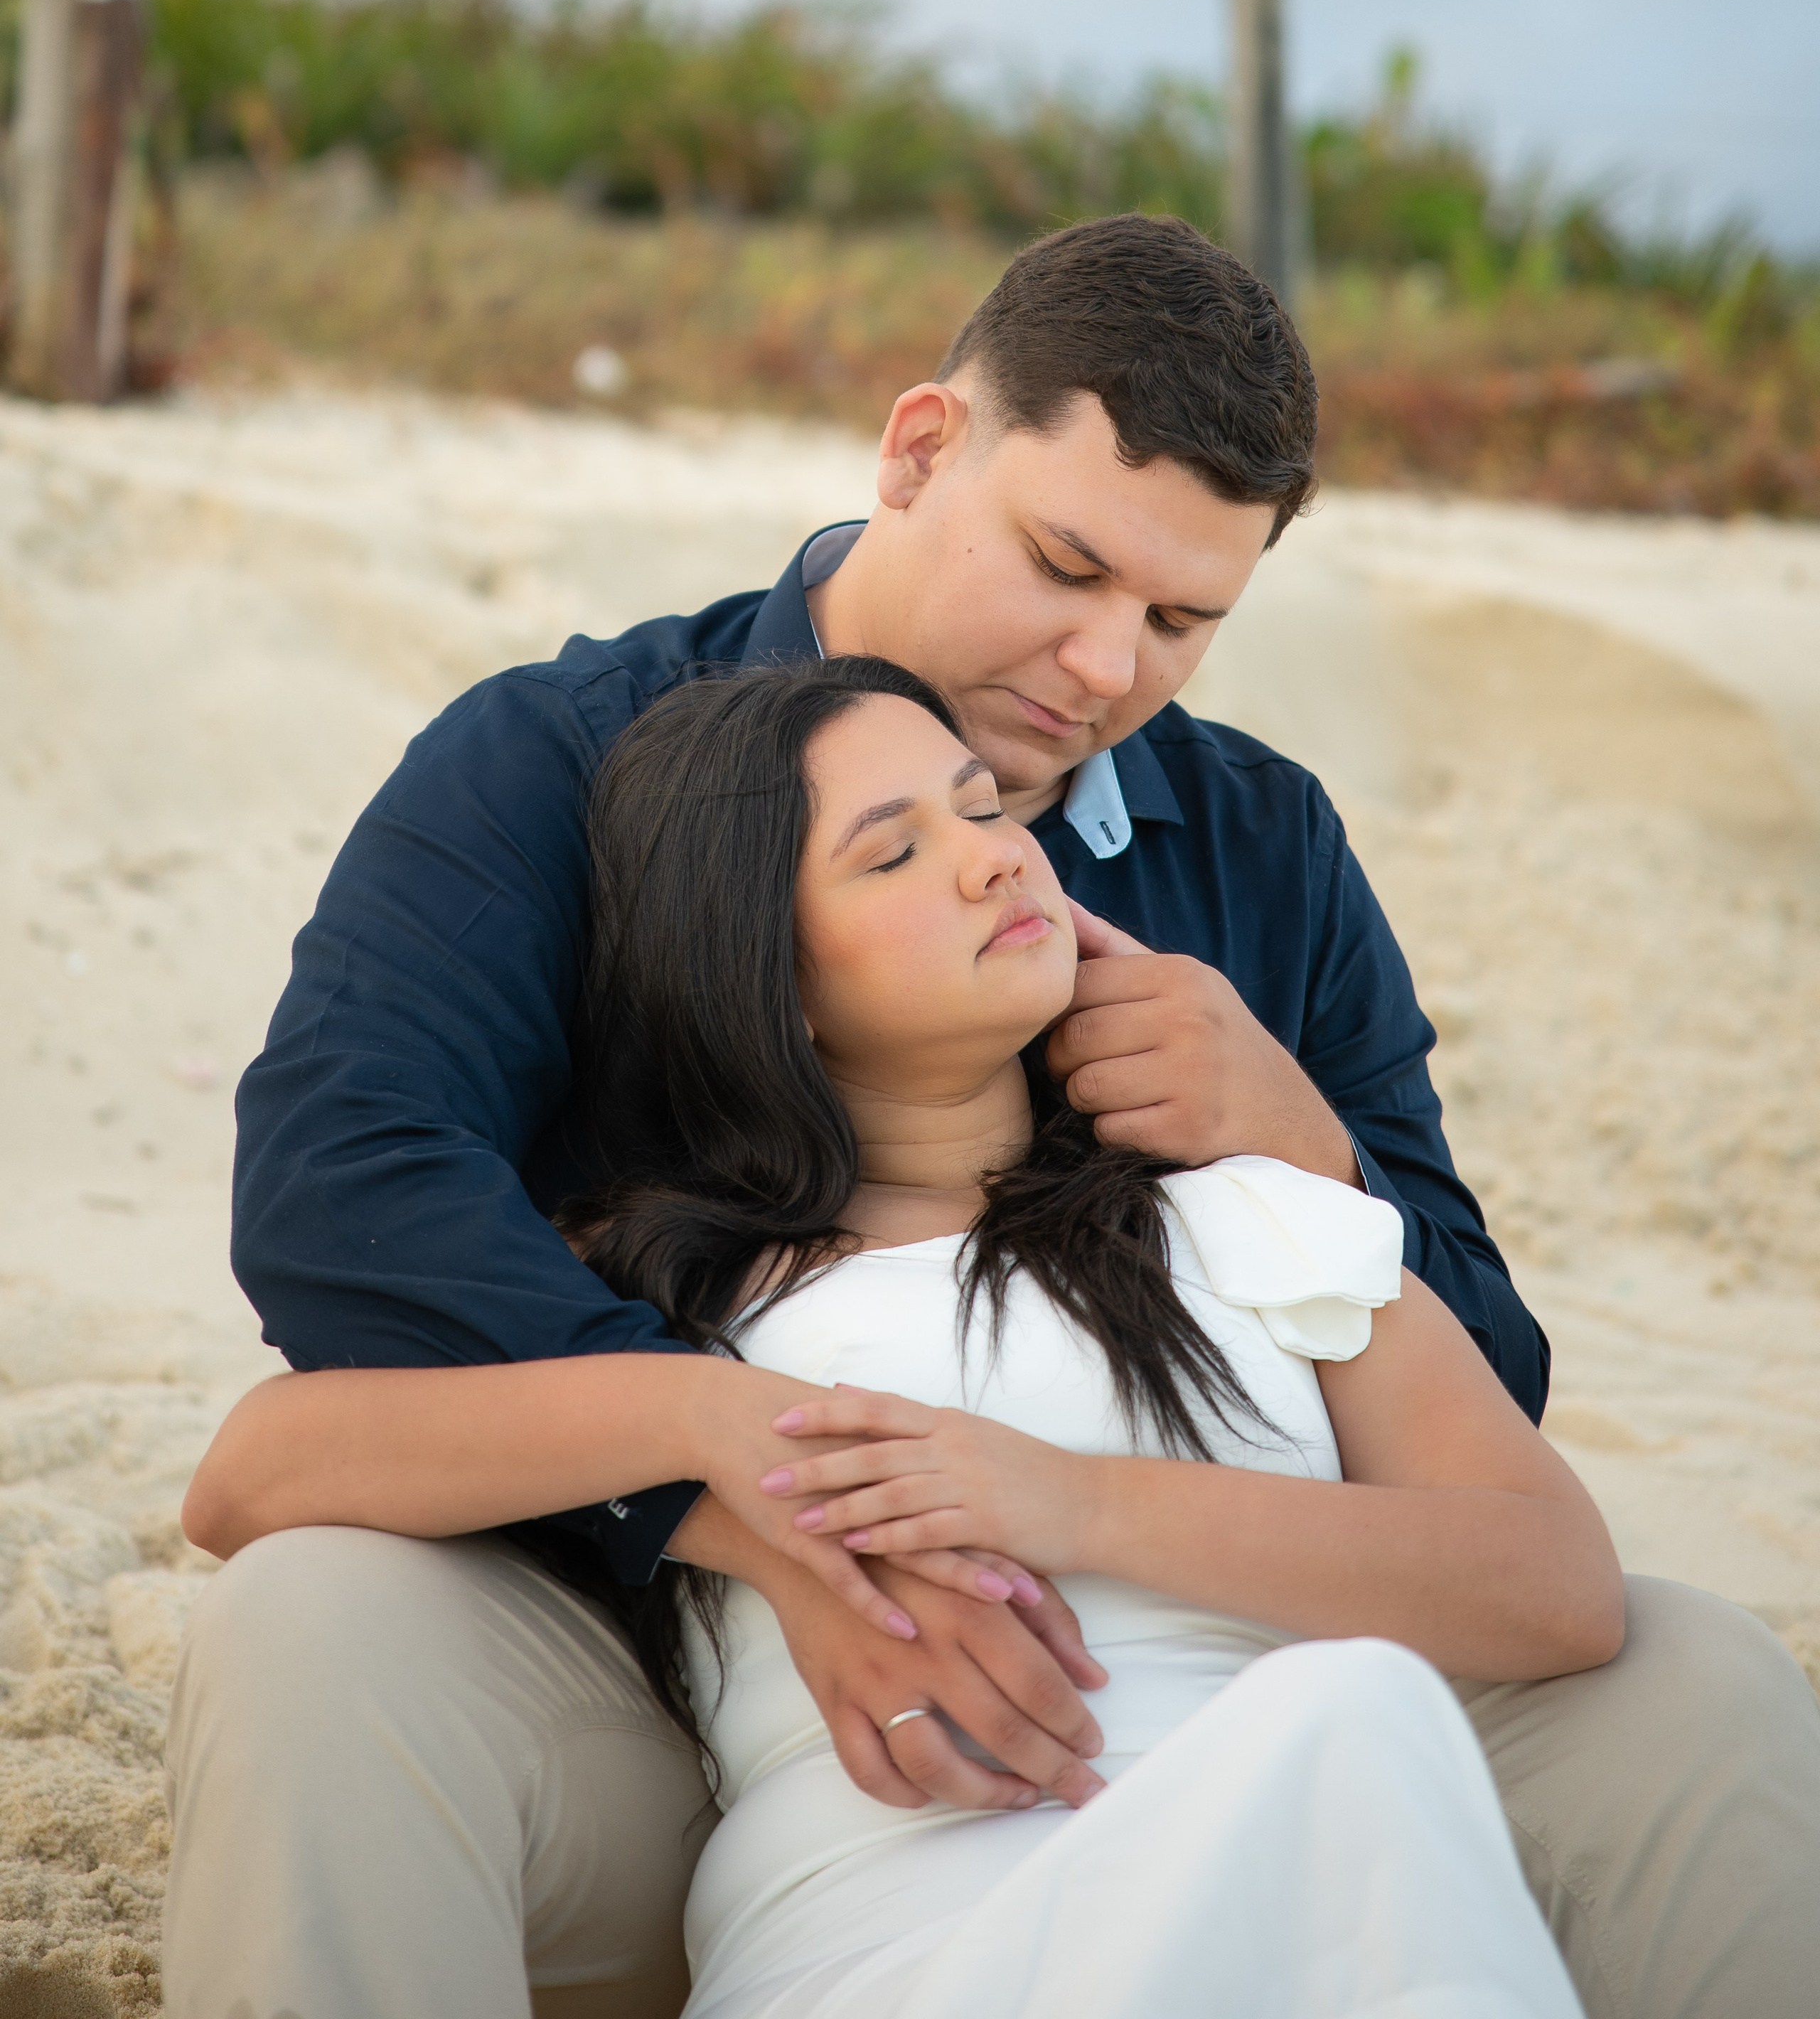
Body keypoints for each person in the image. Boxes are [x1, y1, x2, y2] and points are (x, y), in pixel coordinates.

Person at [165, 218, 1820, 2019]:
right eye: (1063, 565)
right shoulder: (560, 763)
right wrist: (746, 1495)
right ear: (918, 448)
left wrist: (1298, 1144)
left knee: (1692, 1680)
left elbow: (1477, 1391)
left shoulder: (1259, 854)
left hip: (1200, 1662)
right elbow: (345, 1200)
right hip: (652, 1648)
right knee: (311, 1622)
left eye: (1183, 620)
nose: (1107, 670)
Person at [184, 658, 1613, 2018]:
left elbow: (1554, 1584)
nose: (994, 857)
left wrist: (1070, 1500)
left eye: (982, 809)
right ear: (767, 981)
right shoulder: (680, 1293)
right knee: (1350, 1729)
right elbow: (254, 1473)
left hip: (1291, 1881)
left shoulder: (1247, 1216)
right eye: (892, 854)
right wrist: (708, 1426)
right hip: (897, 1948)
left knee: (1350, 1719)